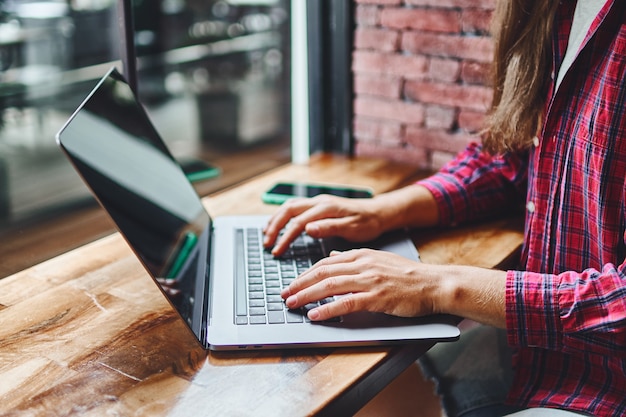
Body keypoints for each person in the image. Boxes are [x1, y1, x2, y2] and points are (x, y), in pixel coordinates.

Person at [262, 0, 625, 416]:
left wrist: (438, 286)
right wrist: (382, 211)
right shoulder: (555, 9)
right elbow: (511, 158)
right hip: (545, 356)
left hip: (607, 383)